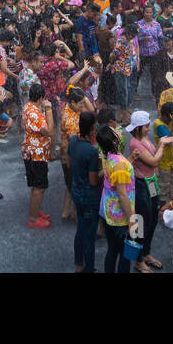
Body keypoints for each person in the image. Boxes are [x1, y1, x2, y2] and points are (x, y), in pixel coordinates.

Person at [126, 109, 173, 272]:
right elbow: (153, 161)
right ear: (137, 128)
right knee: (140, 222)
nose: (148, 128)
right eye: (146, 126)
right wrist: (162, 144)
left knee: (152, 218)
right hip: (141, 185)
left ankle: (146, 253)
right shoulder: (134, 143)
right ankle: (137, 260)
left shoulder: (144, 138)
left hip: (151, 183)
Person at [97, 124, 135, 273]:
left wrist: (130, 160)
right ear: (114, 141)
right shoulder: (119, 163)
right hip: (120, 216)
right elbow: (122, 194)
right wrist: (132, 220)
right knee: (125, 254)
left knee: (112, 250)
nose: (118, 131)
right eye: (115, 132)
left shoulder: (107, 156)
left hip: (108, 211)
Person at [67, 109, 102, 273]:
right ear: (91, 130)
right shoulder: (92, 151)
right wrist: (104, 171)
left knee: (80, 230)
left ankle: (78, 264)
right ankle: (89, 268)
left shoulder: (73, 141)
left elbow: (69, 164)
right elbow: (94, 181)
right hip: (89, 197)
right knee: (89, 235)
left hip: (76, 191)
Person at [21, 82, 53, 227]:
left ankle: (35, 211)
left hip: (32, 152)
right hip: (37, 154)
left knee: (37, 186)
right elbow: (49, 131)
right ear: (40, 98)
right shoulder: (35, 113)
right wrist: (49, 110)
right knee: (38, 187)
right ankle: (33, 218)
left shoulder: (28, 106)